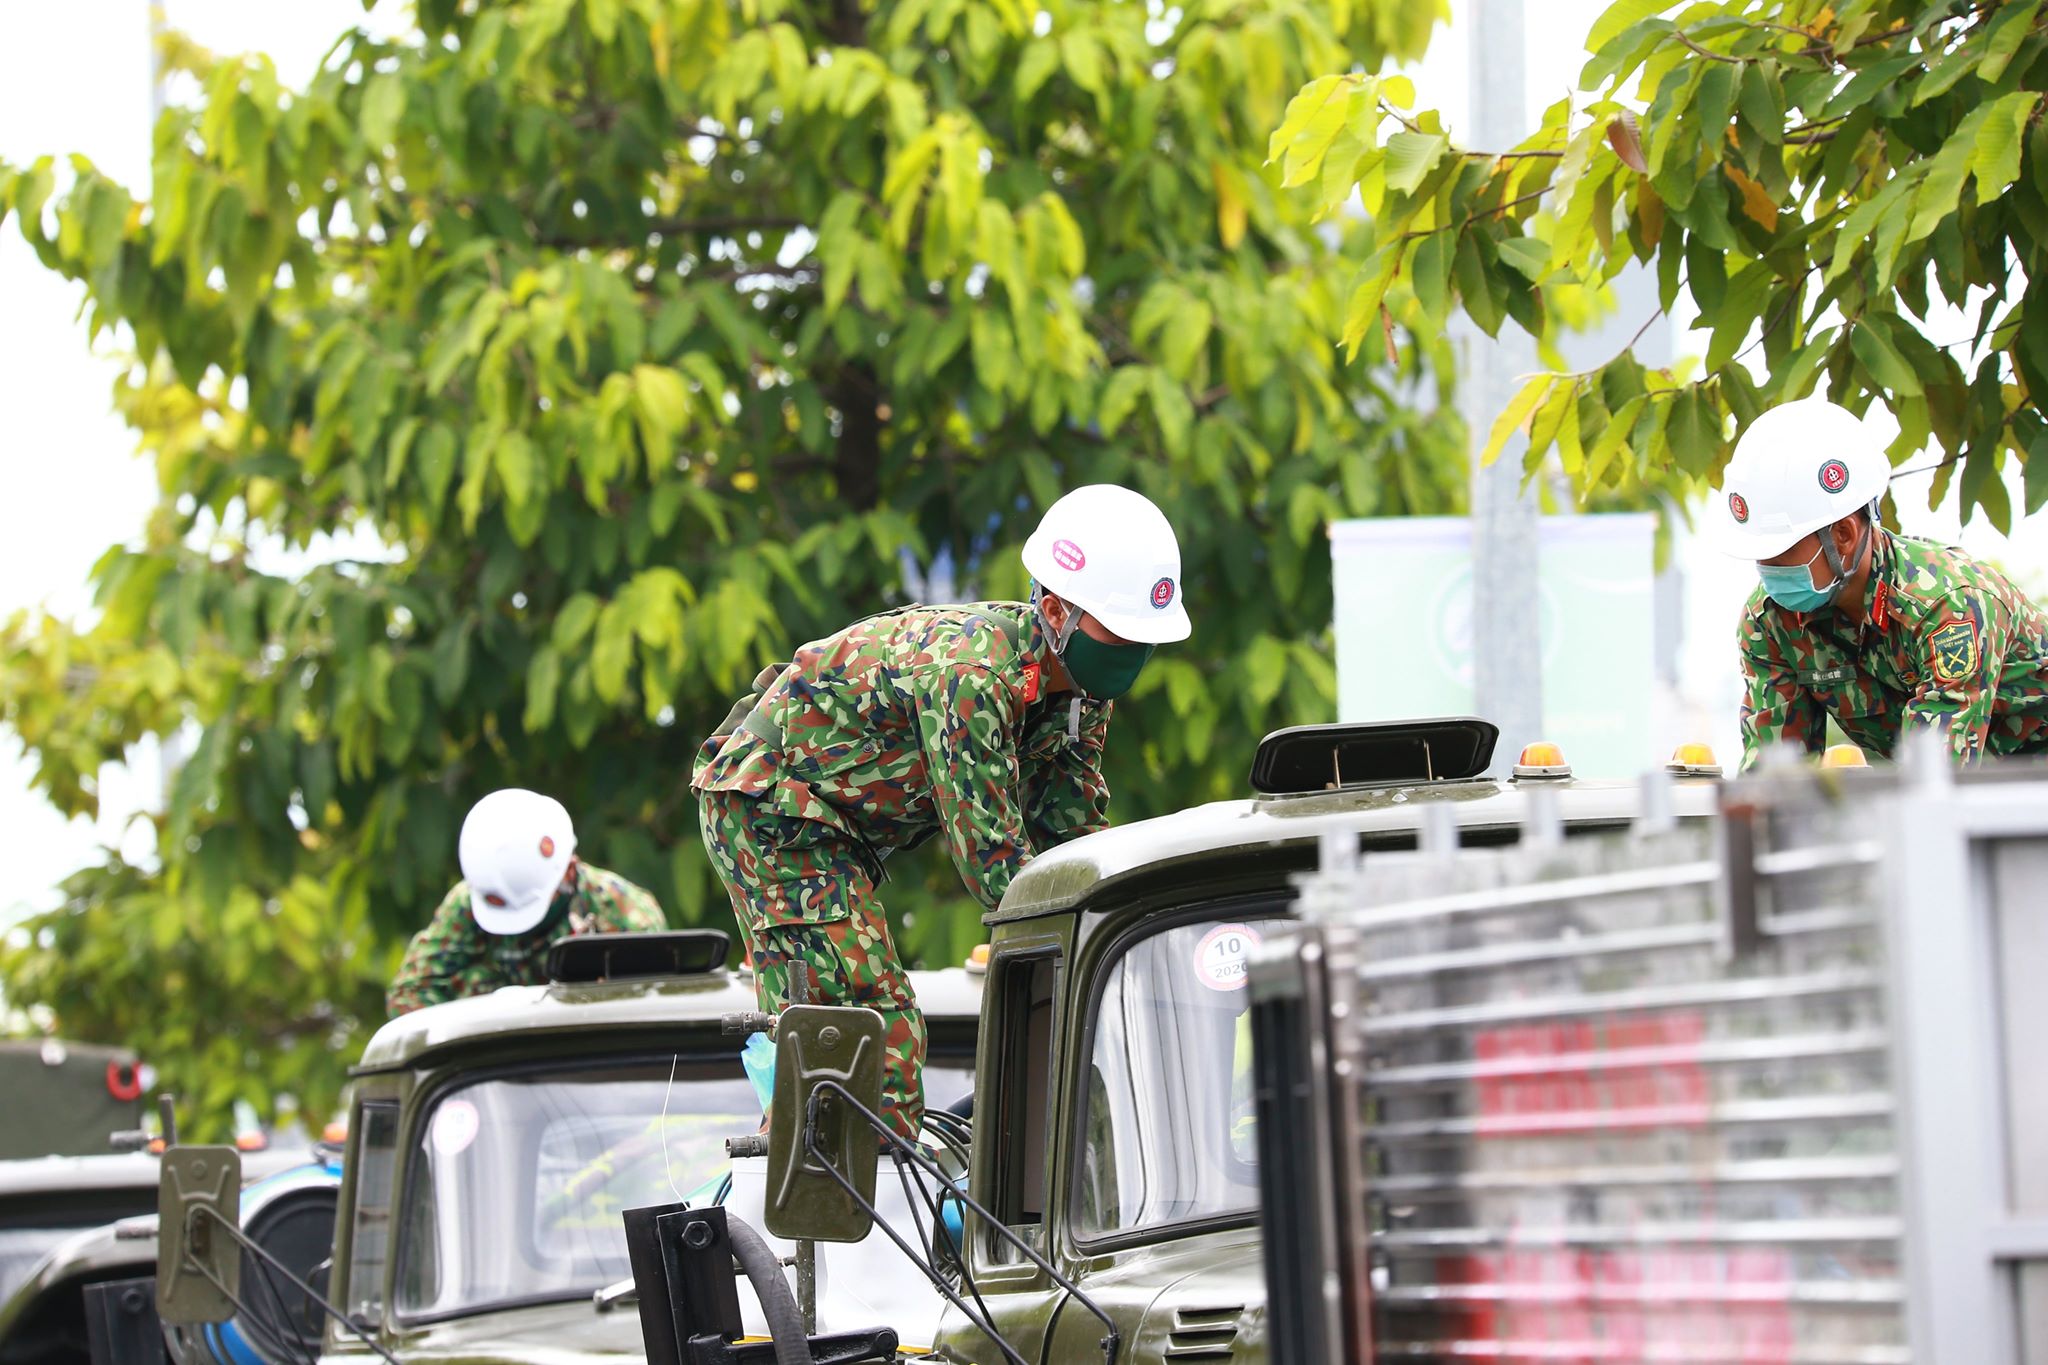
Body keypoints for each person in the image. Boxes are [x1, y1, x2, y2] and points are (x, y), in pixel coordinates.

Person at [693, 484, 1190, 1140]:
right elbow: (994, 857)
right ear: (1054, 610)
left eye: (1143, 637)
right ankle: (848, 1225)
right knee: (873, 1031)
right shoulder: (972, 677)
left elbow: (1075, 841)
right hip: (773, 810)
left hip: (831, 825)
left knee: (872, 1030)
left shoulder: (1080, 692)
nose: (1132, 648)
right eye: (1119, 630)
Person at [1710, 396, 2048, 770]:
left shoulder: (1948, 607)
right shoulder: (1770, 623)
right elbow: (1776, 777)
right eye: (1759, 554)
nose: (1766, 568)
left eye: (1780, 551)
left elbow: (1935, 778)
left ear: (1843, 535)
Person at [387, 788, 666, 1014]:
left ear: (569, 870)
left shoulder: (623, 914)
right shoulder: (470, 903)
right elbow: (410, 993)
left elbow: (658, 1006)